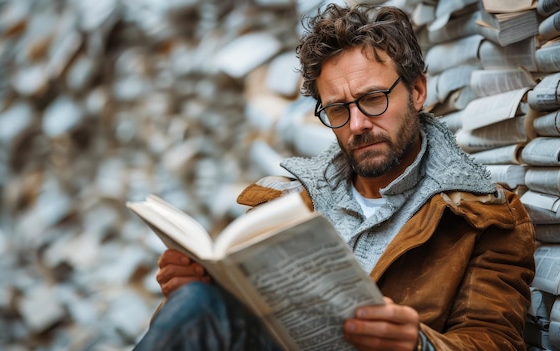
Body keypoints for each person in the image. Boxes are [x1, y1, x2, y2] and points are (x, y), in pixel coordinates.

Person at [133, 3, 535, 351]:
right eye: (338, 110)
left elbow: (495, 341)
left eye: (373, 99)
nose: (357, 124)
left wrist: (419, 344)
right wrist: (187, 297)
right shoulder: (285, 203)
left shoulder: (483, 217)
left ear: (416, 90)